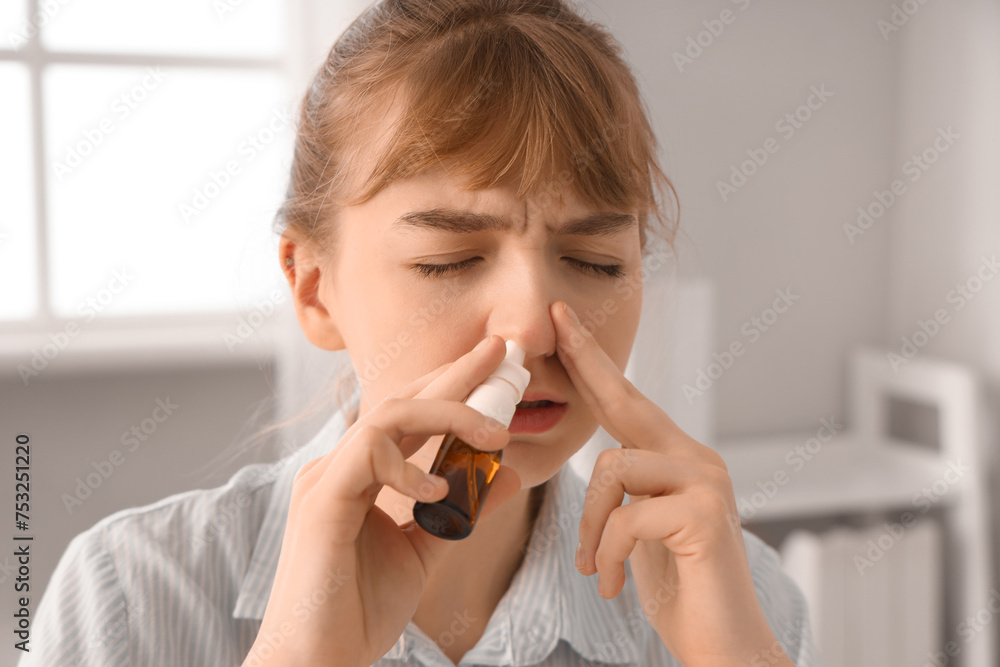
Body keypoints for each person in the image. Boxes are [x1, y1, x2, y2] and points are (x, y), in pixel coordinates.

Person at [20, 1, 820, 665]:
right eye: (449, 260)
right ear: (313, 288)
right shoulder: (125, 596)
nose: (533, 330)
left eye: (595, 260)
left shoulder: (747, 597)